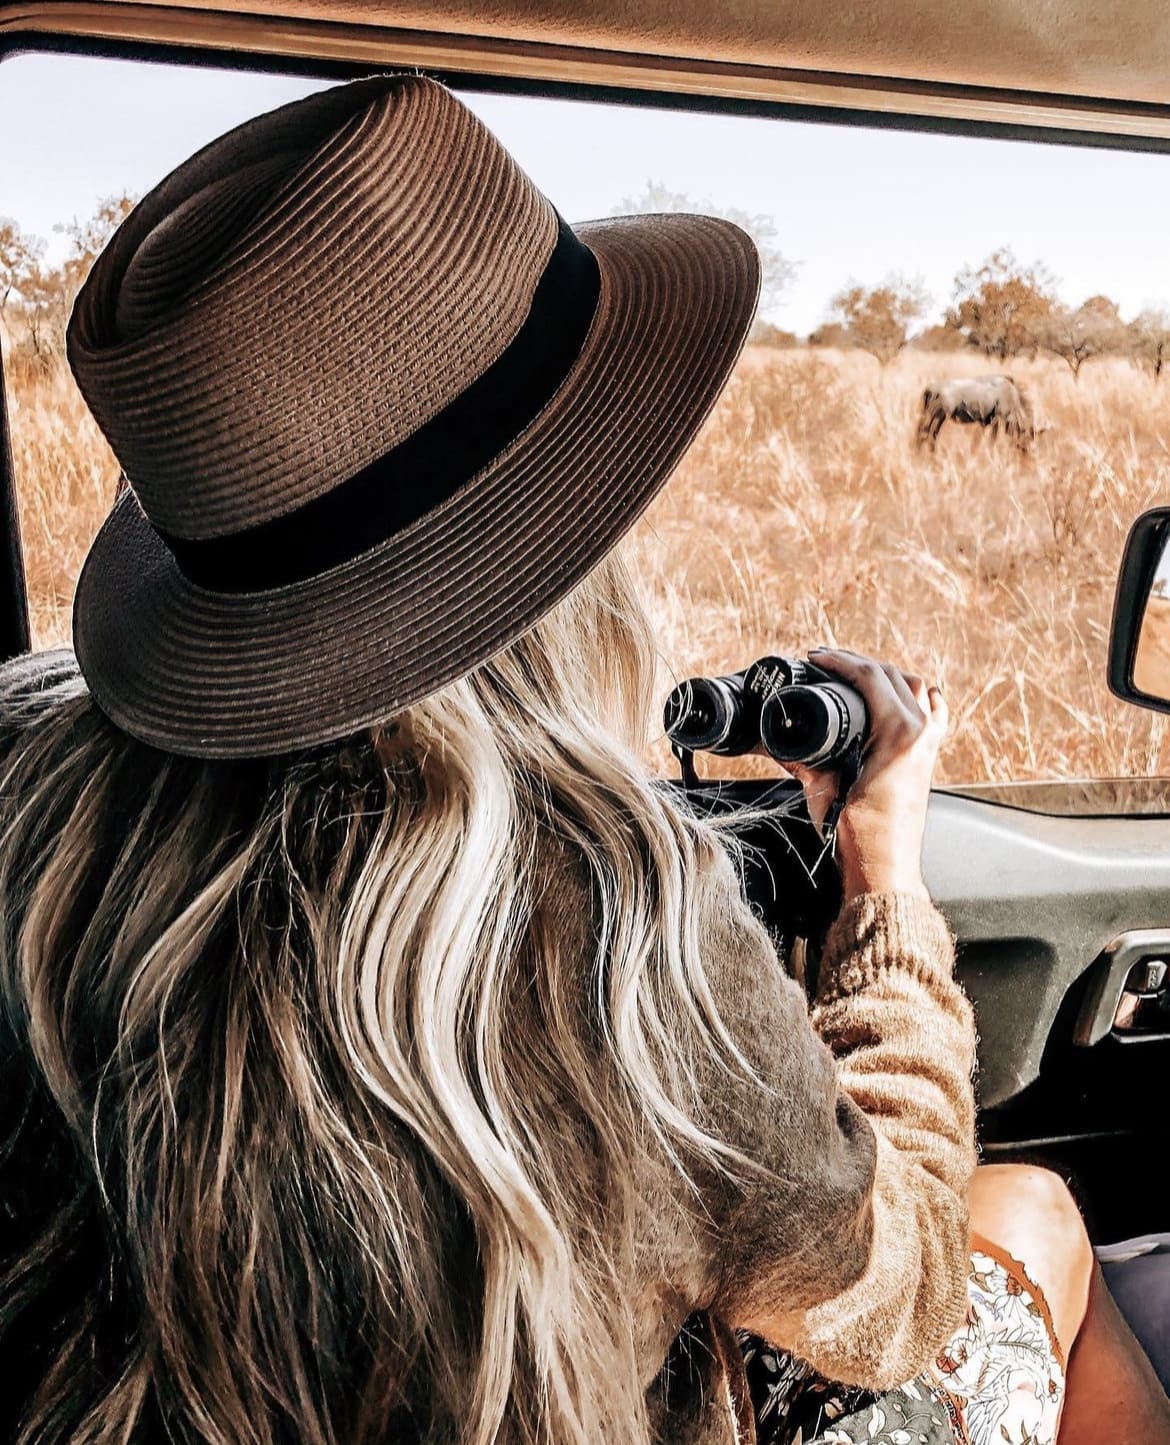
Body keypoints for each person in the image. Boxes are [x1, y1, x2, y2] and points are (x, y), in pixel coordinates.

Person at [0, 73, 1165, 1445]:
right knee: (1034, 1217)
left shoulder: (34, 804)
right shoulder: (619, 940)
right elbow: (890, 1304)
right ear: (568, 549)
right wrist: (881, 882)